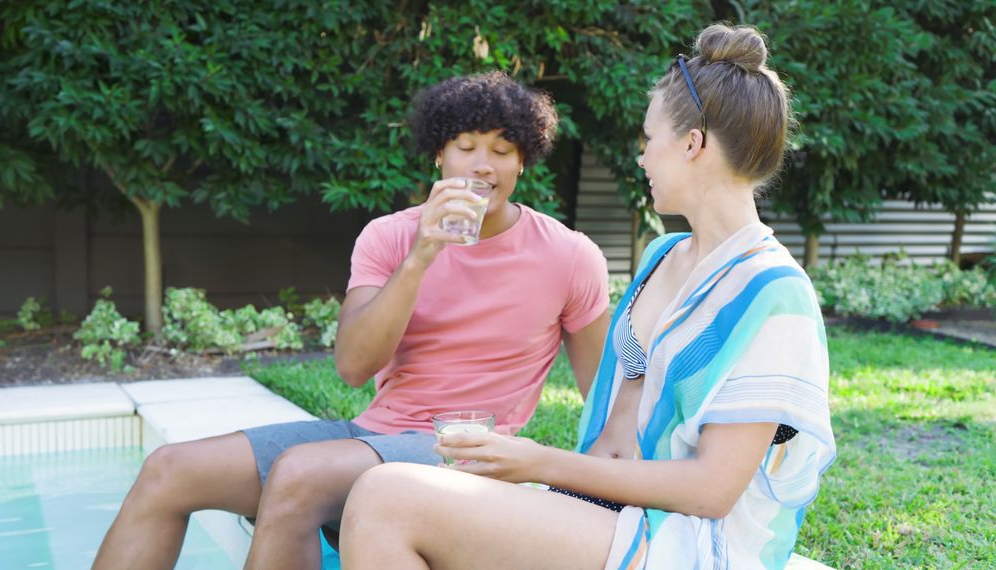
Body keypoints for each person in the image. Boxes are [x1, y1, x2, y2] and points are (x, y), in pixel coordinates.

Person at [338, 24, 836, 570]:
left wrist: (537, 463)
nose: (642, 158)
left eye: (649, 139)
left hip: (683, 538)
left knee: (387, 497)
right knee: (393, 495)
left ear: (692, 144)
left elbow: (711, 491)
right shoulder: (664, 255)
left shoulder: (773, 292)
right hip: (594, 509)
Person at [92, 71, 611, 569]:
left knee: (299, 474)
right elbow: (353, 367)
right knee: (168, 470)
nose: (482, 166)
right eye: (466, 146)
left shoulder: (569, 256)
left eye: (501, 150)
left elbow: (606, 400)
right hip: (370, 435)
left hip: (465, 451)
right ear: (439, 154)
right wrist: (420, 257)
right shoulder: (389, 237)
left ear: (523, 162)